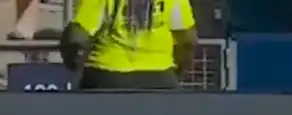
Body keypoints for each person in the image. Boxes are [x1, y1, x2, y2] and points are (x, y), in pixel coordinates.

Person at [60, 0, 197, 90]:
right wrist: (178, 72)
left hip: (107, 78)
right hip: (160, 79)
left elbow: (75, 38)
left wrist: (74, 67)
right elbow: (188, 40)